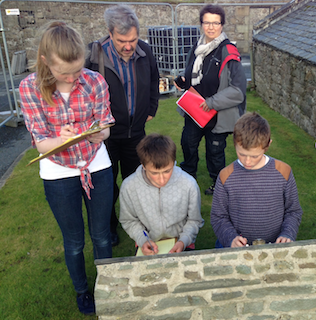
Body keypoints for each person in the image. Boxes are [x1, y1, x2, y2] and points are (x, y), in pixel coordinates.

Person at [19, 22, 115, 315]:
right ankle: (82, 291)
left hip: (96, 164)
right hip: (58, 172)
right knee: (73, 241)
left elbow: (106, 124)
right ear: (46, 61)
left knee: (100, 235)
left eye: (78, 70)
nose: (74, 78)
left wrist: (101, 133)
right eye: (65, 73)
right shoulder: (30, 88)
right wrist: (59, 140)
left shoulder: (95, 81)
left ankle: (108, 284)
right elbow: (40, 143)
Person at [85, 4, 160, 246]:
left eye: (133, 40)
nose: (129, 46)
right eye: (121, 41)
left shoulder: (145, 51)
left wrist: (151, 108)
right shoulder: (93, 55)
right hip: (104, 136)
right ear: (109, 32)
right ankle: (109, 228)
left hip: (136, 133)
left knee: (137, 182)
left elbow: (153, 79)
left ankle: (138, 224)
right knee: (106, 186)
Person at [174, 4, 247, 195]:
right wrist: (183, 80)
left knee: (215, 152)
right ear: (201, 24)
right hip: (194, 111)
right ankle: (187, 178)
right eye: (207, 22)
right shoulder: (197, 48)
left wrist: (212, 102)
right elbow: (192, 74)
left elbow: (238, 90)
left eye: (216, 23)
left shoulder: (228, 52)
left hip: (217, 114)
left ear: (222, 25)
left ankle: (218, 184)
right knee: (187, 144)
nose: (211, 27)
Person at [210, 112, 303, 248]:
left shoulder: (283, 171)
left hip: (275, 245)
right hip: (237, 248)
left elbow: (293, 211)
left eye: (254, 156)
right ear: (235, 143)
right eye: (242, 154)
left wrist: (287, 234)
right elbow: (218, 216)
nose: (247, 161)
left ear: (267, 145)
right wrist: (230, 238)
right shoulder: (226, 176)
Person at [119, 133, 205, 255]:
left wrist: (183, 241)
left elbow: (194, 220)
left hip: (181, 241)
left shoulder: (188, 184)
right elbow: (129, 220)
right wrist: (143, 240)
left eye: (167, 171)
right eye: (154, 173)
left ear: (174, 162)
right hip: (147, 244)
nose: (161, 179)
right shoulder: (129, 187)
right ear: (143, 165)